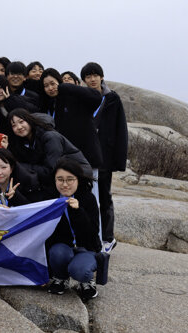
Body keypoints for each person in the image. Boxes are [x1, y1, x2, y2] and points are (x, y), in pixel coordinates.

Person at [81, 62, 128, 254]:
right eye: (88, 76)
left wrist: (119, 159)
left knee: (104, 196)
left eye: (95, 75)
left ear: (101, 76)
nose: (92, 79)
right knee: (87, 197)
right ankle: (90, 236)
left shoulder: (112, 98)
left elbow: (120, 129)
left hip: (105, 157)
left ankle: (107, 237)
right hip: (85, 156)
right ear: (83, 79)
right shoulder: (82, 97)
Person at [46, 157, 102, 302]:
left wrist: (77, 211)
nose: (65, 184)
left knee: (79, 270)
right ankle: (60, 277)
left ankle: (86, 281)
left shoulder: (88, 198)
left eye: (70, 179)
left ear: (78, 179)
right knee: (57, 253)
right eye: (60, 179)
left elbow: (92, 233)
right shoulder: (50, 199)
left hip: (86, 248)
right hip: (64, 248)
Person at [8, 108, 92, 203]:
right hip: (57, 180)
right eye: (14, 125)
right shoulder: (25, 141)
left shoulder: (50, 137)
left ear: (30, 120)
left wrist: (21, 166)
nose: (19, 127)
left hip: (77, 177)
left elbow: (50, 170)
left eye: (21, 122)